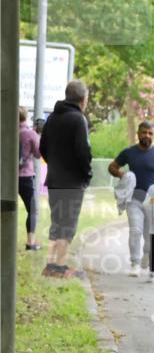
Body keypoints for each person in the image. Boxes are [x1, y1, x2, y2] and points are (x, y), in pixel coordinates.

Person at [39, 80, 92, 279]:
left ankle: (51, 264)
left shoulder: (53, 117)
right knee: (68, 224)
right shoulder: (78, 119)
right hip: (72, 183)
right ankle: (60, 267)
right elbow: (83, 152)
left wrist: (54, 164)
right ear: (83, 98)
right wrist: (86, 175)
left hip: (54, 180)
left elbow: (42, 147)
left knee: (57, 222)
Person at [108, 121, 154, 277]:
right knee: (135, 230)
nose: (147, 135)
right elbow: (112, 167)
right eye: (144, 132)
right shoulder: (129, 152)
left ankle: (146, 256)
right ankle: (134, 263)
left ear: (153, 135)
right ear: (138, 134)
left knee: (149, 235)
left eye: (150, 133)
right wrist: (124, 175)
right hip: (134, 199)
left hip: (153, 201)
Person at [18, 107, 41, 251]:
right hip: (25, 177)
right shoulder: (30, 133)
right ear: (26, 116)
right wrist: (37, 136)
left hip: (6, 177)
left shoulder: (6, 130)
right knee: (32, 209)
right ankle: (30, 242)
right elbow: (38, 154)